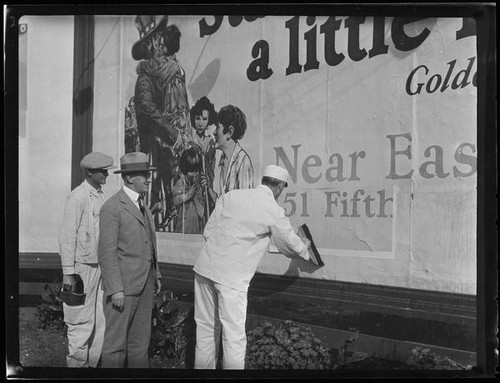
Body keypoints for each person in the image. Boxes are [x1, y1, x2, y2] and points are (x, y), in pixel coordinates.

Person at [193, 165, 312, 369]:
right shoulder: (273, 210)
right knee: (233, 336)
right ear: (281, 186)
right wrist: (305, 248)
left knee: (205, 329)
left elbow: (208, 231)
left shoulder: (231, 196)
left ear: (264, 180)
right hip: (232, 279)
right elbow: (289, 242)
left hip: (205, 269)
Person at [98, 152, 162, 368]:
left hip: (145, 285)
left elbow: (149, 242)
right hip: (123, 290)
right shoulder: (112, 207)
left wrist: (157, 274)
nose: (148, 178)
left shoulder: (142, 205)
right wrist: (115, 289)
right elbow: (106, 253)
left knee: (139, 345)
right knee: (115, 347)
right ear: (128, 178)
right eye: (143, 174)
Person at [57, 151, 116, 367]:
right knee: (79, 319)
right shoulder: (78, 196)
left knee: (100, 319)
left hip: (99, 266)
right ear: (89, 171)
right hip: (81, 268)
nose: (106, 175)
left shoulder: (100, 196)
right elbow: (67, 235)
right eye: (102, 171)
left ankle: (92, 366)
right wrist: (68, 272)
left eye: (106, 170)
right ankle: (76, 366)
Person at [132, 16, 190, 229]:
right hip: (154, 152)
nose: (158, 44)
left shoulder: (166, 71)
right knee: (155, 207)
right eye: (154, 40)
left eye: (158, 39)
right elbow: (147, 108)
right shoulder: (146, 77)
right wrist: (172, 132)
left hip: (166, 151)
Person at [212, 105, 254, 198]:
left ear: (230, 132)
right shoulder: (222, 159)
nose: (214, 132)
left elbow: (244, 203)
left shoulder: (243, 161)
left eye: (218, 128)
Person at [171, 147, 215, 234]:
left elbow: (201, 211)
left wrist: (196, 196)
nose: (194, 174)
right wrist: (187, 195)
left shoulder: (198, 188)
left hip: (195, 226)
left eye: (196, 171)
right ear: (185, 171)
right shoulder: (181, 183)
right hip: (182, 226)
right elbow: (175, 200)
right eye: (191, 171)